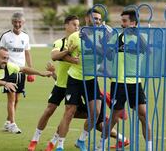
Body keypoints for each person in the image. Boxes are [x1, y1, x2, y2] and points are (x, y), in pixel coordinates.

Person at [28, 15, 80, 151]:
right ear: (66, 26)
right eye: (74, 24)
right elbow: (54, 56)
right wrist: (69, 52)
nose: (77, 27)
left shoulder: (81, 43)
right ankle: (35, 139)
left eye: (78, 25)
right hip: (60, 85)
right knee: (49, 110)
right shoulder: (60, 42)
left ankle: (54, 141)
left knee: (68, 115)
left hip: (75, 86)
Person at [55, 9, 103, 151]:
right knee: (69, 112)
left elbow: (103, 54)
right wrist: (72, 59)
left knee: (96, 112)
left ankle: (81, 140)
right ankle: (60, 145)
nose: (97, 22)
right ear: (87, 19)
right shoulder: (75, 36)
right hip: (75, 79)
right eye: (95, 18)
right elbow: (64, 55)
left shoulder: (101, 36)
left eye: (99, 19)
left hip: (91, 79)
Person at [107, 9, 152, 151]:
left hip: (135, 83)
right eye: (122, 21)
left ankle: (149, 148)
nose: (122, 24)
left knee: (143, 115)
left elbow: (148, 50)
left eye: (125, 21)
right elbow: (108, 55)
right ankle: (101, 145)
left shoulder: (142, 36)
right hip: (118, 83)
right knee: (114, 117)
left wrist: (137, 33)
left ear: (133, 22)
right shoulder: (118, 37)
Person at [0, 12, 33, 134]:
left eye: (20, 22)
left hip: (21, 71)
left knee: (17, 99)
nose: (18, 24)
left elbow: (27, 53)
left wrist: (31, 70)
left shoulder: (26, 37)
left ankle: (8, 122)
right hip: (9, 72)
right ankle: (13, 124)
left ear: (23, 23)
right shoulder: (6, 36)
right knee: (11, 99)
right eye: (15, 22)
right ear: (12, 22)